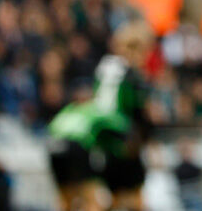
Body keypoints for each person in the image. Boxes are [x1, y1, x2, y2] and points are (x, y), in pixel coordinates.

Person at [47, 20, 154, 211]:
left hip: (73, 137)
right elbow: (135, 112)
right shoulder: (131, 74)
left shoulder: (104, 67)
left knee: (69, 200)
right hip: (112, 139)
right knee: (126, 199)